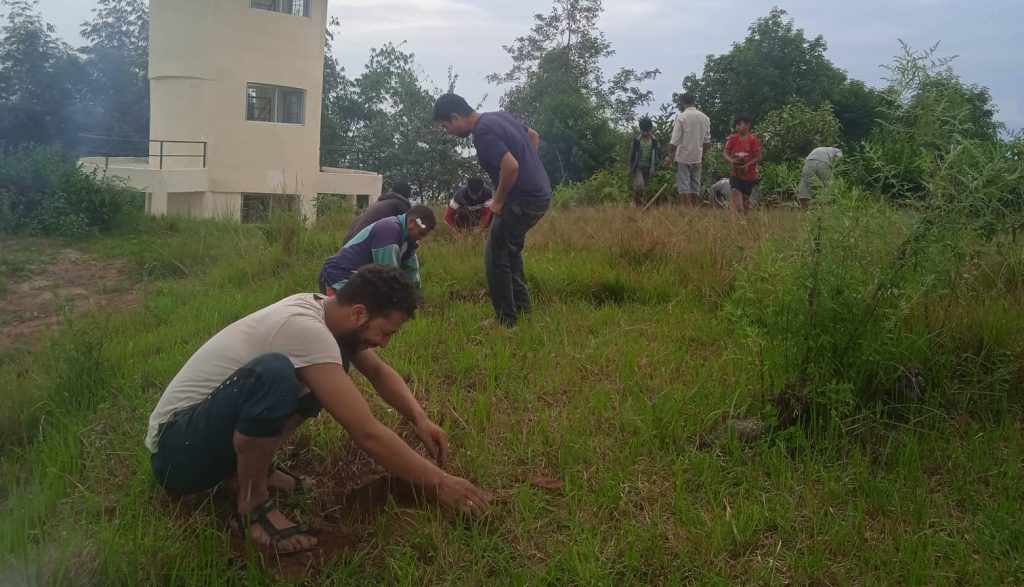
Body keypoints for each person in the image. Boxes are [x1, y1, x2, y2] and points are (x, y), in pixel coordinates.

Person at [146, 264, 492, 554]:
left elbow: (378, 371)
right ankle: (252, 507)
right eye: (386, 332)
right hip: (177, 454)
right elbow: (367, 432)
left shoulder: (325, 315)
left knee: (331, 365)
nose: (385, 343)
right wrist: (439, 482)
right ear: (359, 313)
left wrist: (420, 418)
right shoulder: (305, 329)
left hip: (200, 436)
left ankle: (248, 472)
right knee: (275, 373)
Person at [433, 93, 552, 328]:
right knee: (510, 253)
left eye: (445, 126)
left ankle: (505, 320)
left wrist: (497, 201)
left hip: (522, 202)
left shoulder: (483, 133)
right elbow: (532, 135)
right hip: (540, 195)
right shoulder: (498, 117)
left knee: (495, 259)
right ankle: (522, 310)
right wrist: (529, 169)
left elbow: (510, 166)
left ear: (455, 117)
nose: (447, 131)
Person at [319, 206, 435, 297]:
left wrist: (416, 292)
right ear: (411, 222)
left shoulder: (409, 240)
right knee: (344, 320)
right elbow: (389, 275)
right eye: (420, 233)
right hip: (337, 277)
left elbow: (411, 270)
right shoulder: (389, 230)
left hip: (358, 280)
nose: (421, 238)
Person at [664, 93, 711, 207]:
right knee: (695, 182)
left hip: (684, 156)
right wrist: (703, 155)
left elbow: (675, 139)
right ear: (694, 101)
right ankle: (693, 207)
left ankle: (685, 208)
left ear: (683, 102)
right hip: (697, 156)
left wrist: (670, 155)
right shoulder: (705, 118)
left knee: (683, 182)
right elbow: (707, 141)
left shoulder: (682, 117)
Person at [344, 180, 413, 243]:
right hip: (361, 245)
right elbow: (407, 231)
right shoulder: (400, 204)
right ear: (406, 193)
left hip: (349, 242)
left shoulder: (382, 201)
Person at [724, 113, 762, 214]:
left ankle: (746, 217)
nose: (737, 127)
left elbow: (759, 157)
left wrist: (747, 165)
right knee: (734, 192)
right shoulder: (732, 138)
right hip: (735, 172)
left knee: (746, 197)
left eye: (740, 124)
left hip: (749, 174)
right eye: (736, 125)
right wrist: (731, 160)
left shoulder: (753, 140)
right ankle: (732, 219)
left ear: (747, 125)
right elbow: (726, 152)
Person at [628, 118, 659, 207]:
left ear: (650, 130)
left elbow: (656, 154)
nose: (645, 133)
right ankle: (634, 202)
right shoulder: (637, 141)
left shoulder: (654, 141)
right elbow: (631, 155)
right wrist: (629, 168)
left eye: (647, 131)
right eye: (643, 131)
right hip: (638, 167)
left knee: (642, 189)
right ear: (640, 130)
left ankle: (638, 205)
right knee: (639, 185)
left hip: (648, 168)